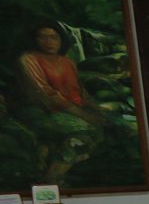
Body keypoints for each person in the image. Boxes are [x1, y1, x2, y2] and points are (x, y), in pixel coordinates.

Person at [13, 21, 108, 183]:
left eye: (53, 37)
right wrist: (84, 115)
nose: (48, 42)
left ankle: (49, 163)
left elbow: (81, 92)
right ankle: (52, 178)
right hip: (39, 110)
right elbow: (46, 94)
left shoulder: (67, 62)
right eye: (42, 37)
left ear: (61, 40)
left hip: (69, 110)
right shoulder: (28, 59)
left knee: (108, 125)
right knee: (86, 133)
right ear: (34, 40)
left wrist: (97, 109)